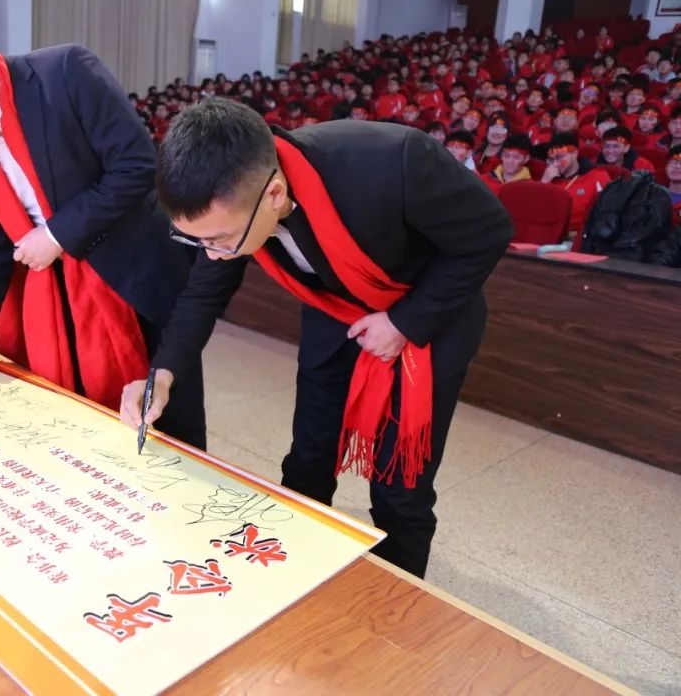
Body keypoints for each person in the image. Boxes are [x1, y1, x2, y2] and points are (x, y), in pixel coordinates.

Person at [119, 98, 512, 577]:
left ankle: (396, 604)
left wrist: (404, 322)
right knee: (307, 459)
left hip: (429, 319)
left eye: (219, 240)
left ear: (274, 194)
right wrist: (162, 373)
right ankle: (298, 579)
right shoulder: (233, 210)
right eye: (196, 240)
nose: (213, 254)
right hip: (335, 315)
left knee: (399, 490)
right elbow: (203, 292)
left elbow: (489, 233)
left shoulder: (394, 161)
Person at [0, 42, 206, 448]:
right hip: (54, 298)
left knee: (167, 428)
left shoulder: (65, 73)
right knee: (79, 430)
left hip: (131, 282)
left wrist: (55, 235)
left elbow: (136, 165)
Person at [540, 133, 611, 233]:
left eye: (560, 157)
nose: (555, 164)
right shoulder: (548, 178)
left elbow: (607, 214)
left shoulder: (597, 176)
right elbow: (536, 213)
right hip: (549, 233)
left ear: (574, 153)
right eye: (551, 159)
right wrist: (544, 183)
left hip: (581, 235)